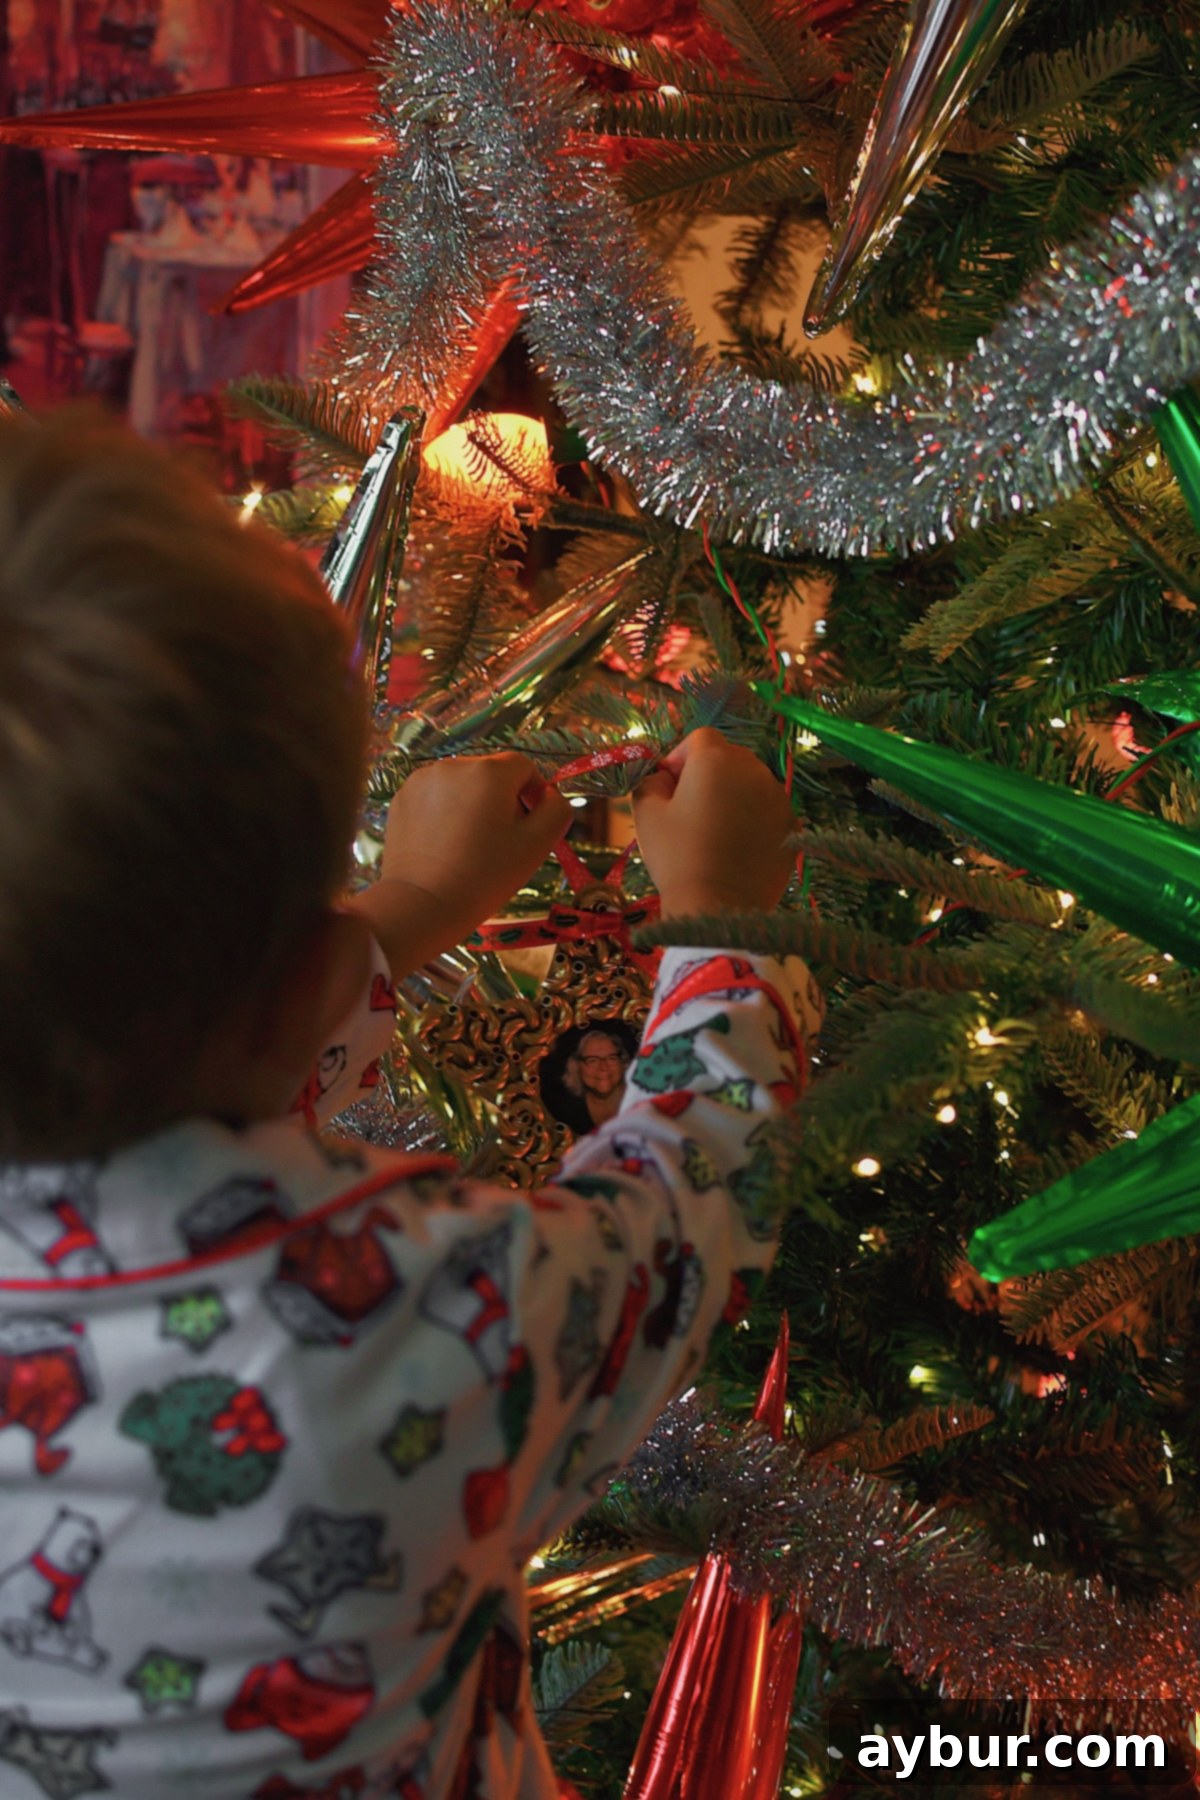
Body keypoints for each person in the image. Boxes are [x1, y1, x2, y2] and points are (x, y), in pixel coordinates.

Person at [0, 411, 822, 1800]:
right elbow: (683, 1208)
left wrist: (405, 916)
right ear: (307, 975)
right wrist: (721, 923)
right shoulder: (422, 1306)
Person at [554, 1026, 633, 1134]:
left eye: (611, 1058)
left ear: (623, 1063)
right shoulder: (565, 1114)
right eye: (592, 1060)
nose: (603, 1067)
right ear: (577, 1066)